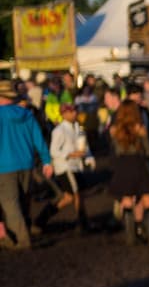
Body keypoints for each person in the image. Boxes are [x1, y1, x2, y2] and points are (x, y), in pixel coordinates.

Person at [0, 79, 56, 250]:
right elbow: (38, 140)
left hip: (4, 166)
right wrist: (46, 161)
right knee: (24, 202)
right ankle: (16, 237)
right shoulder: (27, 114)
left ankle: (23, 240)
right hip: (27, 164)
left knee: (10, 205)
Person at [108, 101, 149, 245]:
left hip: (123, 167)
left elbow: (116, 152)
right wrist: (144, 136)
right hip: (140, 165)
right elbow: (148, 152)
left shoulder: (115, 130)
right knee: (148, 199)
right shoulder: (140, 128)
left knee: (127, 200)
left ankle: (130, 237)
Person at [43, 102, 94, 233]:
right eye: (71, 111)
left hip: (77, 166)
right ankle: (82, 223)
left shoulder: (78, 127)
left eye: (75, 110)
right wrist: (70, 154)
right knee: (76, 194)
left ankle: (43, 218)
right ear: (63, 114)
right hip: (65, 167)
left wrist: (89, 157)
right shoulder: (59, 130)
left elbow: (84, 146)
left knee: (70, 197)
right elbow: (53, 151)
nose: (74, 113)